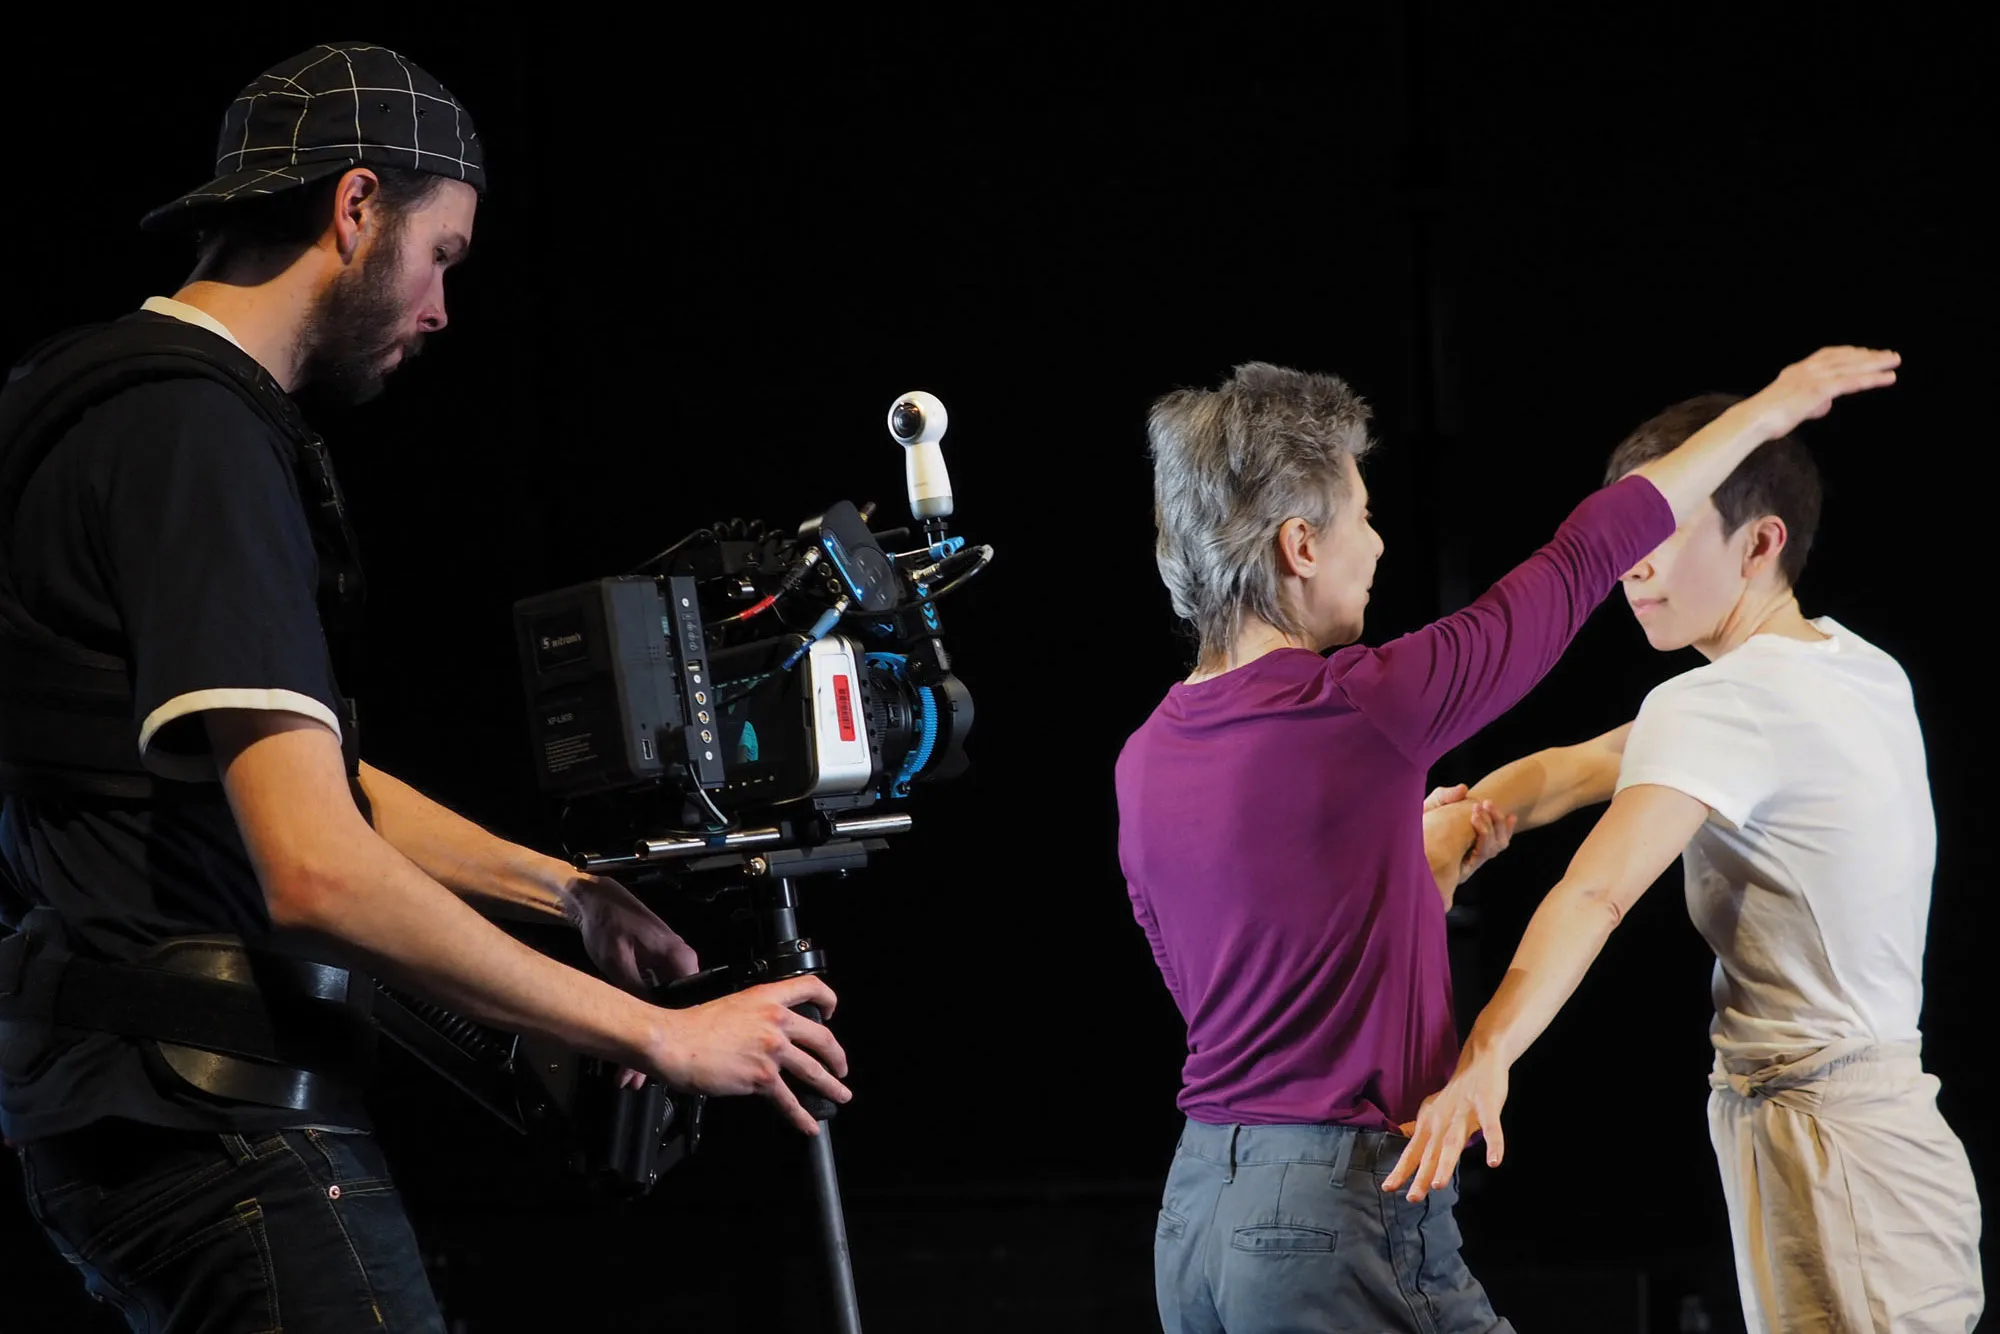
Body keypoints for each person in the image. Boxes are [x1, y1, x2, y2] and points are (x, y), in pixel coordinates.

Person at [0, 42, 848, 1332]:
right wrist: (652, 1033)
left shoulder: (102, 404)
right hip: (216, 1129)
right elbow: (315, 865)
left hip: (134, 1108)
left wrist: (565, 889)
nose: (444, 305)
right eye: (441, 253)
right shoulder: (195, 434)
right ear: (354, 209)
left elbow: (301, 775)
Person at [1117, 347, 1897, 1333]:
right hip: (1331, 1205)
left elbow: (1241, 974)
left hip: (1196, 1212)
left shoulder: (1143, 754)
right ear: (1300, 545)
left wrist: (1411, 874)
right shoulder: (1363, 704)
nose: (1379, 544)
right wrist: (1773, 407)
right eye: (1361, 517)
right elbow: (1582, 555)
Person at [1387, 388, 1982, 1332]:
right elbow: (1577, 767)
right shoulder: (1851, 666)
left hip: (1835, 1148)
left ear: (1760, 543)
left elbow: (1596, 891)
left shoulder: (1723, 702)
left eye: (1665, 532)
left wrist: (1484, 1059)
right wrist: (1464, 821)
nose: (1633, 565)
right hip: (1873, 1135)